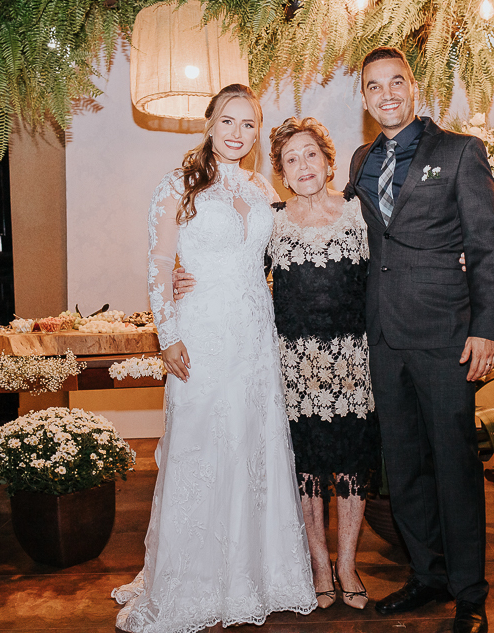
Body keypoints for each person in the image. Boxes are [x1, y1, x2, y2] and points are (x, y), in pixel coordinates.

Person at [112, 84, 317, 633]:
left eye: (249, 124)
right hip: (200, 334)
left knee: (253, 446)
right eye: (228, 120)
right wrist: (168, 334)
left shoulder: (261, 187)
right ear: (209, 123)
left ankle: (254, 576)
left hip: (255, 336)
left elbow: (276, 257)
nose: (237, 133)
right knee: (200, 446)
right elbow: (159, 264)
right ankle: (193, 581)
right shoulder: (176, 185)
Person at [177, 117, 380, 610]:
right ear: (282, 174)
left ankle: (347, 565)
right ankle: (319, 568)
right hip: (293, 366)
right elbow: (234, 269)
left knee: (352, 467)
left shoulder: (360, 213)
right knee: (305, 470)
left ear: (328, 163)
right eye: (291, 159)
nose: (303, 165)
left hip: (353, 363)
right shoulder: (272, 221)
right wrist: (185, 275)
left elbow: (395, 269)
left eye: (311, 154)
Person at [343, 47, 494, 633]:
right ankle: (427, 575)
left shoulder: (460, 151)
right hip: (383, 334)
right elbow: (343, 230)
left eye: (396, 82)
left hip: (445, 334)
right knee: (403, 464)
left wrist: (486, 326)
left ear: (413, 88)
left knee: (454, 464)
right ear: (365, 98)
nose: (386, 94)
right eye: (374, 85)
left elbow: (485, 243)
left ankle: (469, 593)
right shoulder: (362, 160)